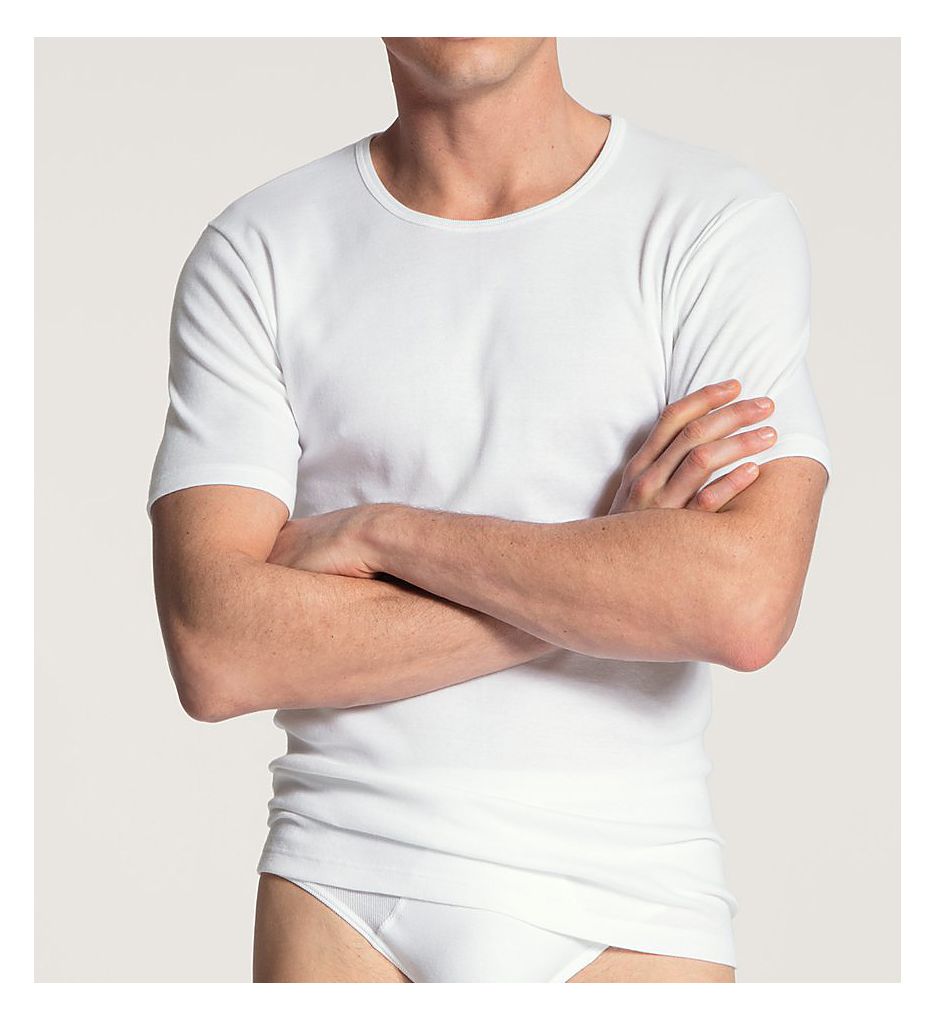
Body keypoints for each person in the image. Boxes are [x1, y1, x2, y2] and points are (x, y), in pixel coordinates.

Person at [147, 37, 832, 983]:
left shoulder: (712, 221)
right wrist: (615, 570)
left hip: (630, 899)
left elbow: (741, 605)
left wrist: (381, 532)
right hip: (340, 885)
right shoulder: (260, 247)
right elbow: (217, 652)